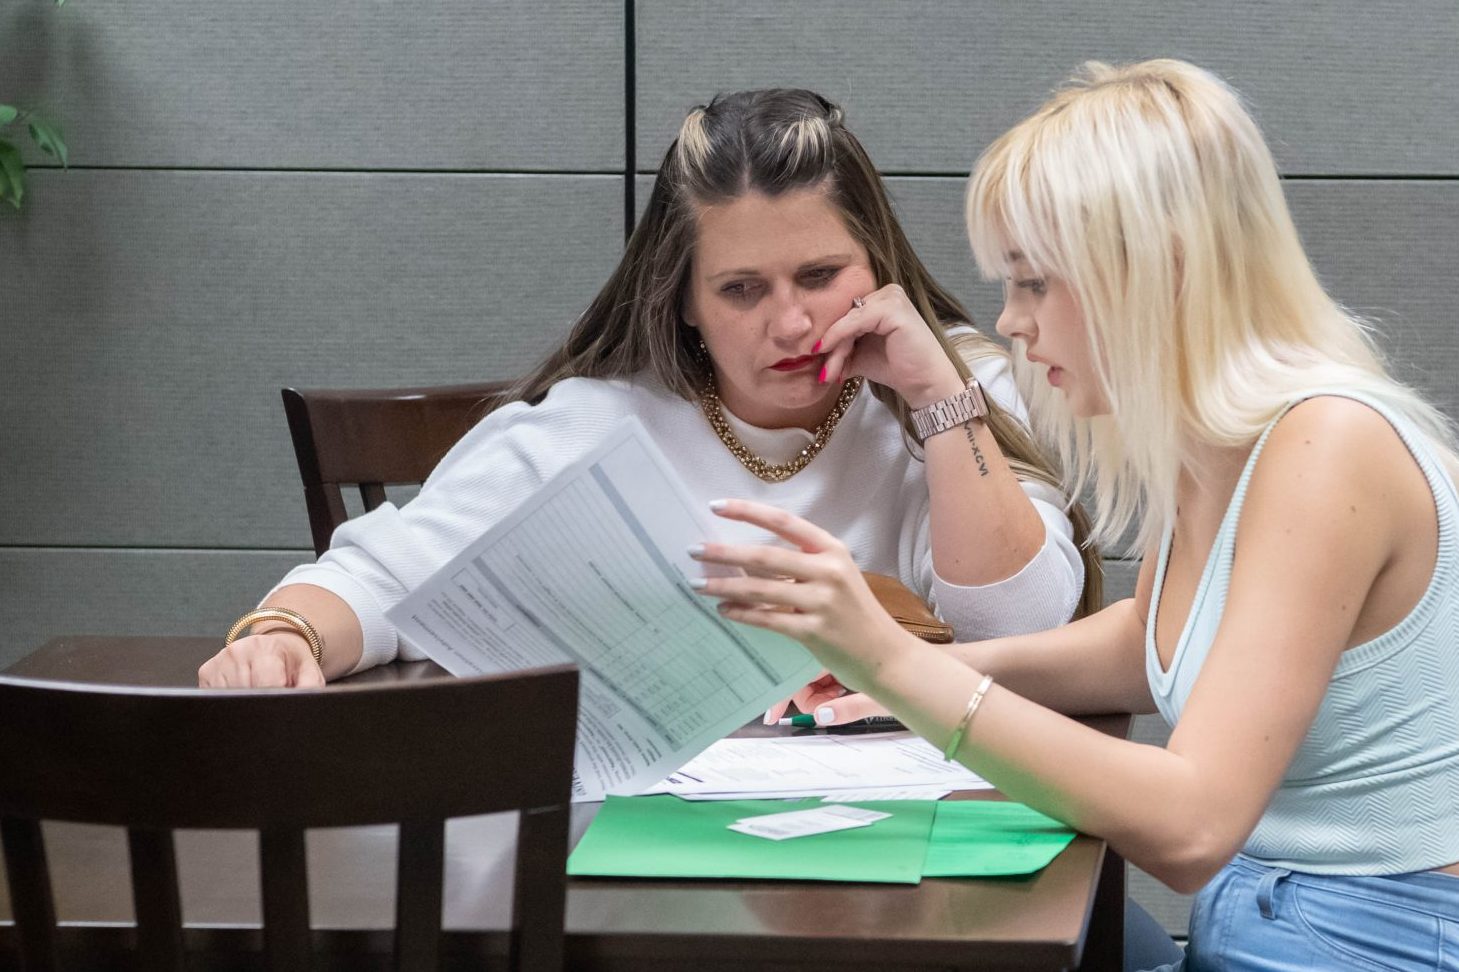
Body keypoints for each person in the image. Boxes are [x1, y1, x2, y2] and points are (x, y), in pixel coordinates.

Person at [691, 60, 1459, 971]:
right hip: (1272, 920)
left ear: (1157, 269)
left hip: (1370, 940)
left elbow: (1191, 826)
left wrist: (898, 660)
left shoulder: (1327, 448)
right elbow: (1168, 638)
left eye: (1034, 283)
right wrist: (885, 683)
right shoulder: (1235, 440)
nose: (1009, 323)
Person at [199, 88, 1097, 690]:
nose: (790, 324)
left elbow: (1012, 627)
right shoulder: (598, 419)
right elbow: (380, 581)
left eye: (820, 274)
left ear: (879, 264)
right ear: (686, 303)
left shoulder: (954, 385)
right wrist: (282, 638)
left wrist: (939, 400)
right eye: (741, 289)